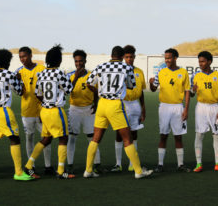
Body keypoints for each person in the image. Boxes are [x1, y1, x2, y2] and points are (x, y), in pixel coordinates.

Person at [83, 46, 153, 179]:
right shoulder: (126, 68)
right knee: (127, 138)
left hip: (102, 104)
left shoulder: (100, 66)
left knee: (96, 138)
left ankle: (88, 170)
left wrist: (99, 91)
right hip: (115, 105)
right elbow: (131, 85)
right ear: (122, 57)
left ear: (111, 55)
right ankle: (138, 171)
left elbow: (88, 83)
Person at [0, 49, 33, 181]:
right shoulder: (9, 75)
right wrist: (19, 81)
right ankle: (19, 172)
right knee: (15, 139)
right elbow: (20, 92)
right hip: (3, 110)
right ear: (7, 61)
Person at [24, 45, 74, 179]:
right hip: (55, 111)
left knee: (46, 139)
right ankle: (61, 171)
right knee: (64, 138)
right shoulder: (59, 73)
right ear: (58, 60)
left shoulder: (42, 74)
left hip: (44, 110)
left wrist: (46, 100)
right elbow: (69, 89)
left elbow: (37, 93)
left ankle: (29, 165)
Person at [149, 48, 191, 173]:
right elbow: (153, 89)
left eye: (169, 58)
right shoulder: (161, 72)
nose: (167, 60)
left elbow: (187, 92)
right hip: (164, 107)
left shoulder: (183, 72)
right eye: (165, 58)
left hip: (178, 107)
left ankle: (180, 165)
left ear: (175, 58)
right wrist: (151, 83)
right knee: (163, 135)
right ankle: (160, 164)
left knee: (178, 137)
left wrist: (186, 109)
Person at [15, 47, 54, 177]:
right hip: (27, 111)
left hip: (42, 111)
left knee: (46, 138)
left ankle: (48, 166)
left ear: (31, 55)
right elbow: (20, 93)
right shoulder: (18, 71)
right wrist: (18, 82)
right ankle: (31, 167)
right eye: (20, 57)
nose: (22, 59)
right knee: (29, 138)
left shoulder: (42, 69)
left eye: (24, 56)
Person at [191, 51, 218, 172]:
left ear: (209, 61)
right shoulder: (196, 76)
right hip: (201, 108)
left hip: (214, 107)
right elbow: (192, 94)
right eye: (199, 61)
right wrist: (193, 90)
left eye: (202, 61)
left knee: (217, 135)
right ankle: (198, 163)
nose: (200, 64)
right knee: (199, 135)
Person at [111, 45, 146, 172]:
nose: (129, 59)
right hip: (122, 104)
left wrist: (143, 108)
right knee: (119, 134)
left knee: (134, 134)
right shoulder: (119, 71)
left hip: (135, 104)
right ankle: (118, 163)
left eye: (131, 57)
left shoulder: (139, 72)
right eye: (126, 57)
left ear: (134, 57)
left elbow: (141, 93)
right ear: (123, 57)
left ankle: (132, 163)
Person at [66, 49, 101, 174]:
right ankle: (70, 165)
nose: (78, 63)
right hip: (74, 109)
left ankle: (97, 164)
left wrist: (96, 104)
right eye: (76, 61)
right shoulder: (69, 75)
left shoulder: (92, 75)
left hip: (88, 109)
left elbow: (97, 91)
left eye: (81, 61)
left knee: (92, 138)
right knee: (72, 138)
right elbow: (67, 91)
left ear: (85, 61)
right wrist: (75, 78)